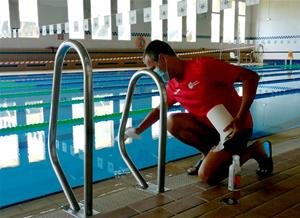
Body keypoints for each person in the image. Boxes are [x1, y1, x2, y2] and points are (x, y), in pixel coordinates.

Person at [125, 40, 273, 185]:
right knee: (172, 122)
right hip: (212, 131)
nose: (153, 74)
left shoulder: (203, 66)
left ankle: (255, 150)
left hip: (236, 128)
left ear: (163, 58)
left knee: (207, 176)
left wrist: (240, 117)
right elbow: (159, 111)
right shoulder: (172, 86)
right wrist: (137, 130)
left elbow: (250, 77)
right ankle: (207, 154)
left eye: (153, 68)